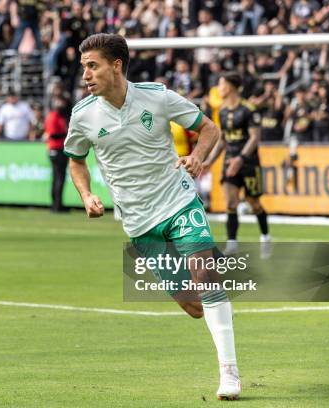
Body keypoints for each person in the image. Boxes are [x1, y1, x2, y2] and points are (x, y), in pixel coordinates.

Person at [64, 34, 241, 401]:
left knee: (205, 276)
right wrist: (86, 195)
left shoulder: (156, 95)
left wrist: (198, 158)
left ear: (116, 66)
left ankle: (229, 373)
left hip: (178, 201)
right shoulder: (83, 116)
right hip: (139, 220)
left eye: (92, 66)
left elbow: (209, 128)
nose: (86, 76)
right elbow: (76, 160)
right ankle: (216, 305)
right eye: (84, 68)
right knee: (193, 306)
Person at [203, 72, 271, 257]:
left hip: (248, 163)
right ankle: (232, 244)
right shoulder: (223, 111)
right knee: (231, 203)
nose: (219, 88)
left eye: (221, 84)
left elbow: (255, 137)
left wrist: (240, 158)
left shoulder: (248, 109)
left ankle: (265, 237)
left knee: (253, 203)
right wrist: (209, 161)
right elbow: (223, 140)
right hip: (228, 161)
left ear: (232, 86)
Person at [44, 96, 69, 213]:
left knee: (57, 178)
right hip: (57, 149)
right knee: (59, 177)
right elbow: (53, 134)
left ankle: (57, 204)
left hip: (57, 149)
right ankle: (56, 205)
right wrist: (67, 135)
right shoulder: (53, 117)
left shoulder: (57, 116)